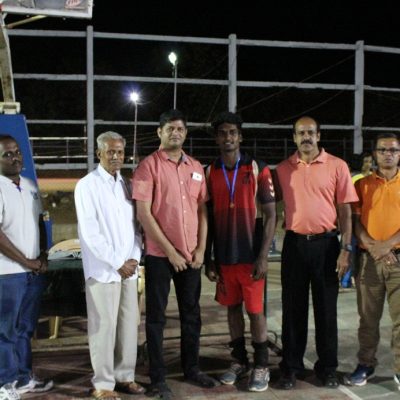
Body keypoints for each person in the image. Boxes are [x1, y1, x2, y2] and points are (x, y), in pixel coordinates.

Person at [132, 109, 219, 399]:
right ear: (160, 132)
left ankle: (191, 368)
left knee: (191, 315)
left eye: (180, 129)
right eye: (170, 128)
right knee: (156, 318)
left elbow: (202, 209)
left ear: (185, 133)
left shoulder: (195, 167)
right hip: (160, 256)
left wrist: (201, 249)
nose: (175, 133)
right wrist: (170, 252)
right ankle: (158, 378)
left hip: (191, 256)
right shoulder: (148, 167)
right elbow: (144, 214)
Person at [274, 116, 358, 389]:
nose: (306, 137)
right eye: (301, 133)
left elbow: (345, 211)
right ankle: (291, 368)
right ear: (294, 137)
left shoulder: (337, 166)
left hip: (327, 246)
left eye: (311, 132)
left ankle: (328, 368)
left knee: (326, 311)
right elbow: (271, 205)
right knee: (292, 310)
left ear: (319, 135)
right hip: (294, 246)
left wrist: (346, 249)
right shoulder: (283, 169)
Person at [204, 112, 276, 392]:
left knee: (255, 311)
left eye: (232, 132)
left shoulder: (257, 168)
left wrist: (263, 256)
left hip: (250, 257)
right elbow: (207, 218)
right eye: (222, 133)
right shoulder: (210, 171)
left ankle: (261, 365)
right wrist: (209, 258)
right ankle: (239, 361)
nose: (228, 137)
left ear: (240, 137)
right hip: (224, 257)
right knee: (232, 309)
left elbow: (271, 215)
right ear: (216, 138)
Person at [74, 131, 144, 400]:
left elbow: (136, 227)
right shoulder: (87, 186)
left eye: (120, 152)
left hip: (128, 270)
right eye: (110, 151)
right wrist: (117, 263)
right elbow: (90, 233)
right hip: (104, 271)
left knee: (128, 325)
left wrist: (134, 258)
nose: (116, 156)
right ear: (99, 153)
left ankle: (125, 376)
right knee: (103, 327)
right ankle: (103, 384)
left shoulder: (126, 185)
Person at [345, 133, 400, 389]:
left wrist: (387, 245)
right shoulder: (362, 185)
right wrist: (372, 245)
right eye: (383, 150)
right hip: (369, 261)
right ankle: (365, 364)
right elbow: (355, 221)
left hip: (397, 260)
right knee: (368, 319)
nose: (388, 154)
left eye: (393, 150)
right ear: (375, 154)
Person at [0, 135, 53, 400]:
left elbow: (40, 223)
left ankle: (23, 378)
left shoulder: (30, 185)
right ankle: (4, 383)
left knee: (25, 329)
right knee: (5, 331)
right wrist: (27, 261)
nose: (15, 158)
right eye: (7, 154)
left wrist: (42, 256)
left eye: (17, 152)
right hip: (7, 274)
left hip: (32, 273)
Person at [341, 152, 374, 288]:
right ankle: (346, 280)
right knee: (352, 252)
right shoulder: (356, 179)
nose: (368, 164)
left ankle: (359, 279)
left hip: (366, 222)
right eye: (366, 162)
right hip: (356, 221)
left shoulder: (372, 177)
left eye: (370, 162)